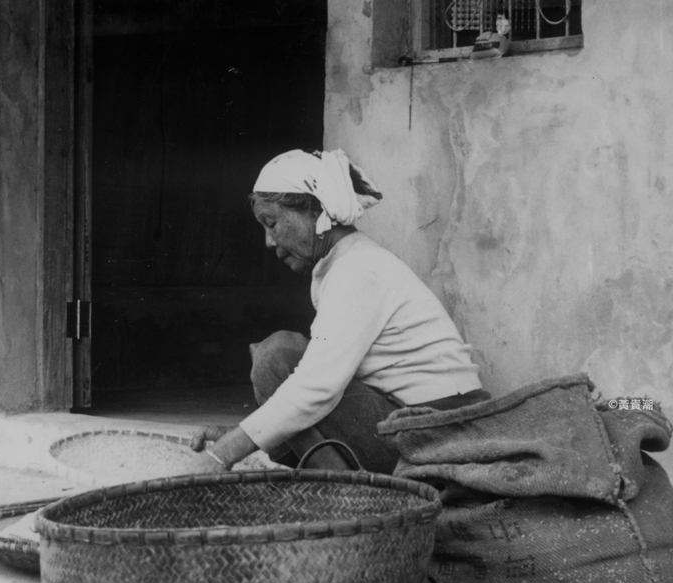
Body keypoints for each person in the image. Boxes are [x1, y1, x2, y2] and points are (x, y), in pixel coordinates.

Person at [185, 148, 489, 474]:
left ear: (316, 211)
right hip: (429, 430)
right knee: (283, 365)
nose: (269, 242)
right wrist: (239, 435)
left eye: (271, 223)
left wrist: (222, 454)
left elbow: (316, 389)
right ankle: (340, 488)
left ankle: (346, 496)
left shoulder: (356, 268)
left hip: (442, 436)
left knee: (276, 357)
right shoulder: (347, 263)